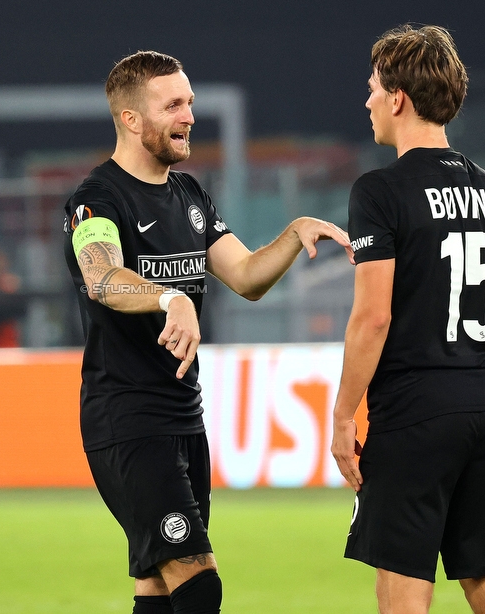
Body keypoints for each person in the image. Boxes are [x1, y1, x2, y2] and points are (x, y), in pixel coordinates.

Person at [63, 50, 354, 614]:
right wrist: (169, 295)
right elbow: (101, 277)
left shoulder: (189, 195)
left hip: (183, 419)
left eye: (190, 102)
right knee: (200, 584)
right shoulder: (96, 201)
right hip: (126, 420)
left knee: (158, 588)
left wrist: (293, 234)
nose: (189, 116)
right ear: (129, 118)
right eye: (172, 105)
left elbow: (245, 276)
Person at [330, 25, 485, 614]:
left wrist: (343, 414)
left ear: (398, 97)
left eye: (373, 87)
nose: (368, 100)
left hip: (414, 415)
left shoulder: (379, 192)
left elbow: (373, 317)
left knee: (401, 593)